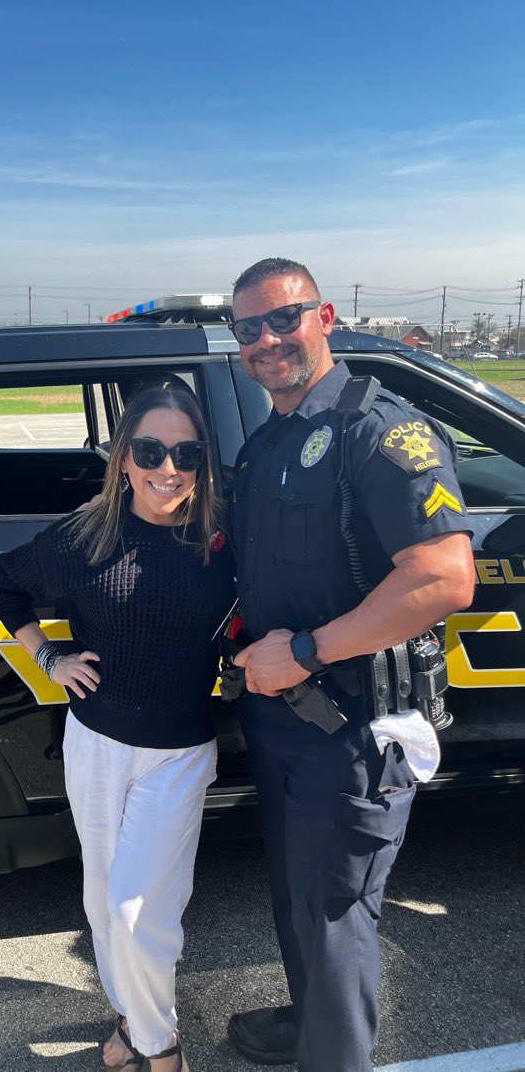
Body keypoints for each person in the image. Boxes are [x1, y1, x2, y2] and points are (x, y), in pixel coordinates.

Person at [223, 258, 475, 1072]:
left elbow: (443, 577)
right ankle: (314, 1025)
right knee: (300, 897)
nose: (267, 340)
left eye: (282, 318)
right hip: (284, 720)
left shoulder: (381, 430)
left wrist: (302, 652)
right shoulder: (267, 445)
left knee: (334, 909)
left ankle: (336, 1055)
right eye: (249, 328)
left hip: (355, 723)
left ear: (323, 316)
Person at [0, 384, 236, 1072]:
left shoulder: (224, 537)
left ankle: (163, 1048)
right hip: (94, 743)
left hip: (178, 753)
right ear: (124, 457)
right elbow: (2, 584)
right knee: (103, 905)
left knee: (138, 914)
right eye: (151, 450)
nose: (169, 468)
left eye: (186, 452)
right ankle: (134, 1021)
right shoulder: (89, 533)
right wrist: (49, 656)